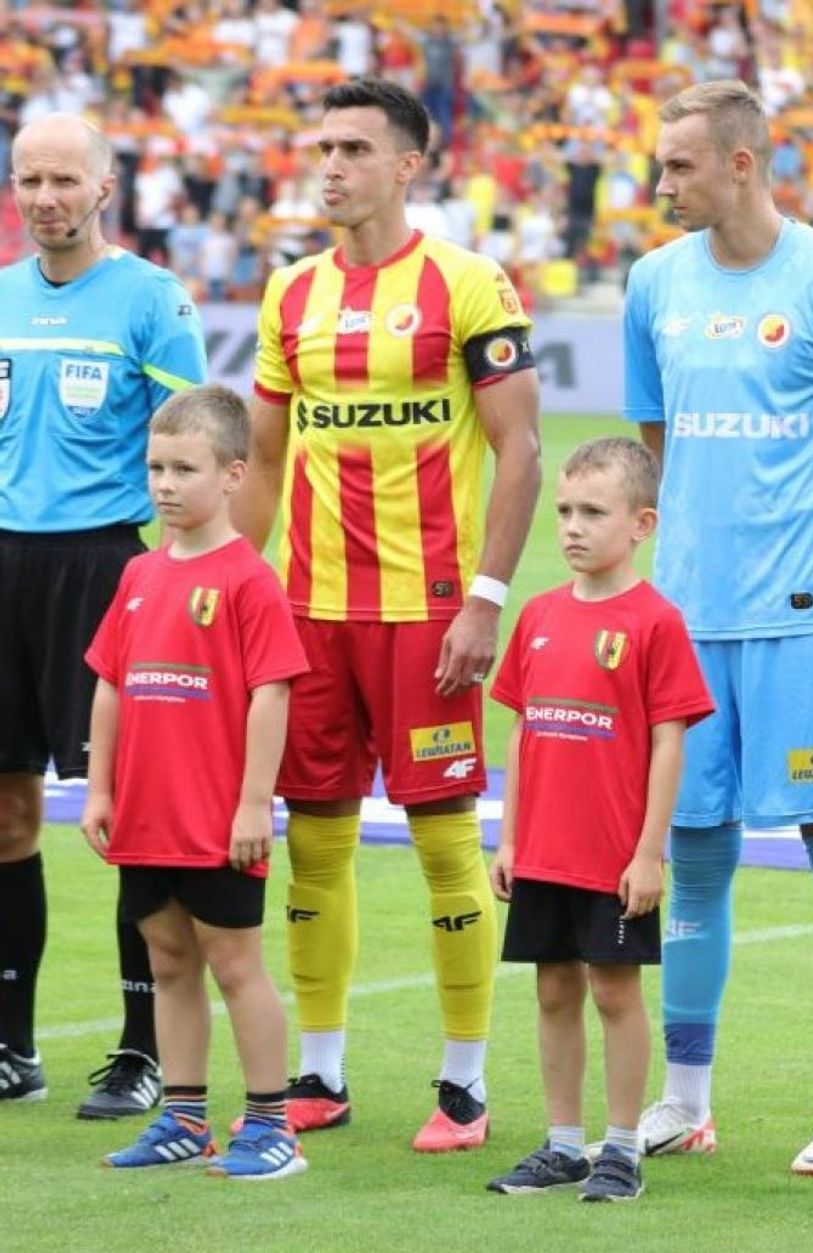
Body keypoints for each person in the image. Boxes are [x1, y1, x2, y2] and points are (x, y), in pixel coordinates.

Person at [234, 77, 543, 1151]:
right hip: (309, 612)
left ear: (408, 165)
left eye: (354, 148)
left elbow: (520, 450)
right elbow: (263, 460)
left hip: (429, 614)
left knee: (445, 843)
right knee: (312, 847)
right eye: (323, 146)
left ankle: (464, 1084)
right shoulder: (289, 295)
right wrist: (234, 593)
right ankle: (319, 1071)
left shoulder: (469, 282)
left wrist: (485, 601)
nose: (330, 166)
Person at [623, 79, 813, 1173]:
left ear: (741, 164)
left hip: (805, 627)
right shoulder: (654, 283)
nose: (662, 184)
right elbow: (660, 447)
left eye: (680, 165)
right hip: (690, 623)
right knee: (695, 860)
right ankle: (685, 1099)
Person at [0, 113, 206, 1118]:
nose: (45, 198)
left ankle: (142, 1048)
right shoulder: (1, 293)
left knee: (127, 810)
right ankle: (12, 1044)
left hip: (107, 567)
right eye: (29, 180)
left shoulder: (151, 298)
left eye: (63, 180)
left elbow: (198, 443)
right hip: (4, 564)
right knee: (6, 813)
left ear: (104, 188)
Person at [82, 386, 310, 1181]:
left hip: (216, 817)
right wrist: (101, 789)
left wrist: (253, 802)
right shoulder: (139, 572)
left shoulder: (249, 580)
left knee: (236, 964)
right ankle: (182, 1117)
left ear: (233, 475)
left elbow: (272, 693)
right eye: (156, 468)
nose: (165, 484)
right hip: (145, 813)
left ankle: (272, 1126)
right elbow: (111, 683)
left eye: (185, 468)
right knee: (169, 960)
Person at [483, 438, 713, 1203]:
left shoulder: (656, 621)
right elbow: (522, 729)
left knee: (615, 992)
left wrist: (649, 852)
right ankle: (561, 1145)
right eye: (564, 511)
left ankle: (620, 1147)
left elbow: (669, 741)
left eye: (593, 511)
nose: (573, 527)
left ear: (642, 524)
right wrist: (510, 836)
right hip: (543, 850)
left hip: (612, 855)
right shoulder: (540, 614)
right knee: (553, 990)